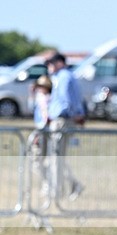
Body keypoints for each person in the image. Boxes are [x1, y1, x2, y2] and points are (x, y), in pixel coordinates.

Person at [44, 52, 86, 200]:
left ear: (60, 63)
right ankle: (72, 185)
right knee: (56, 157)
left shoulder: (64, 77)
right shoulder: (63, 77)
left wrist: (76, 114)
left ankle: (57, 192)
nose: (49, 67)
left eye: (51, 63)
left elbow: (67, 99)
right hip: (62, 120)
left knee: (56, 158)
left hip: (62, 120)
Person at [29, 74, 52, 196]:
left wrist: (40, 133)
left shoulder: (48, 99)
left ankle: (48, 184)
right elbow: (31, 109)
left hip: (44, 132)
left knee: (42, 161)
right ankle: (47, 184)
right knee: (37, 162)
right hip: (39, 130)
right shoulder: (39, 97)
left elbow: (46, 118)